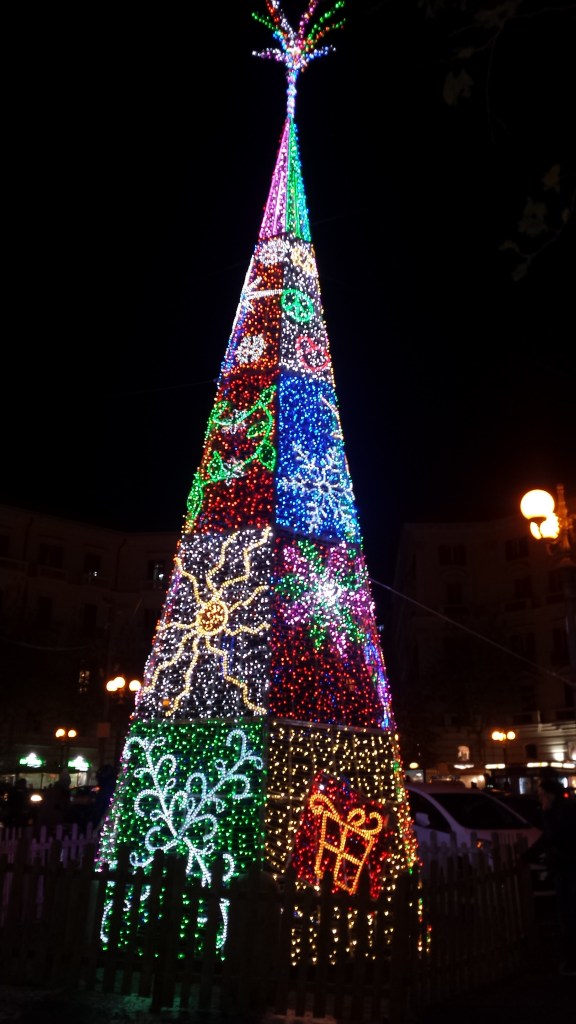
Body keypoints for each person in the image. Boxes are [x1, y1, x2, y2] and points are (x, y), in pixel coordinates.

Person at [525, 776, 576, 976]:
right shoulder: (561, 809)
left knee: (568, 913)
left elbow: (552, 836)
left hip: (568, 866)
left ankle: (570, 961)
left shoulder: (562, 812)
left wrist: (530, 854)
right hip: (565, 865)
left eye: (541, 795)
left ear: (549, 794)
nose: (539, 799)